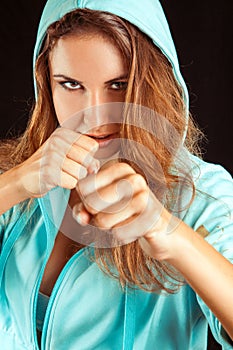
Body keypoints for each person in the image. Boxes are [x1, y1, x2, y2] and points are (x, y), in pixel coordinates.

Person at [0, 0, 232, 349]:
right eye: (71, 85)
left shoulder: (204, 193)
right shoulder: (18, 182)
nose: (95, 116)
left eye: (119, 85)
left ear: (154, 81)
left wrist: (169, 233)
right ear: (46, 83)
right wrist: (17, 183)